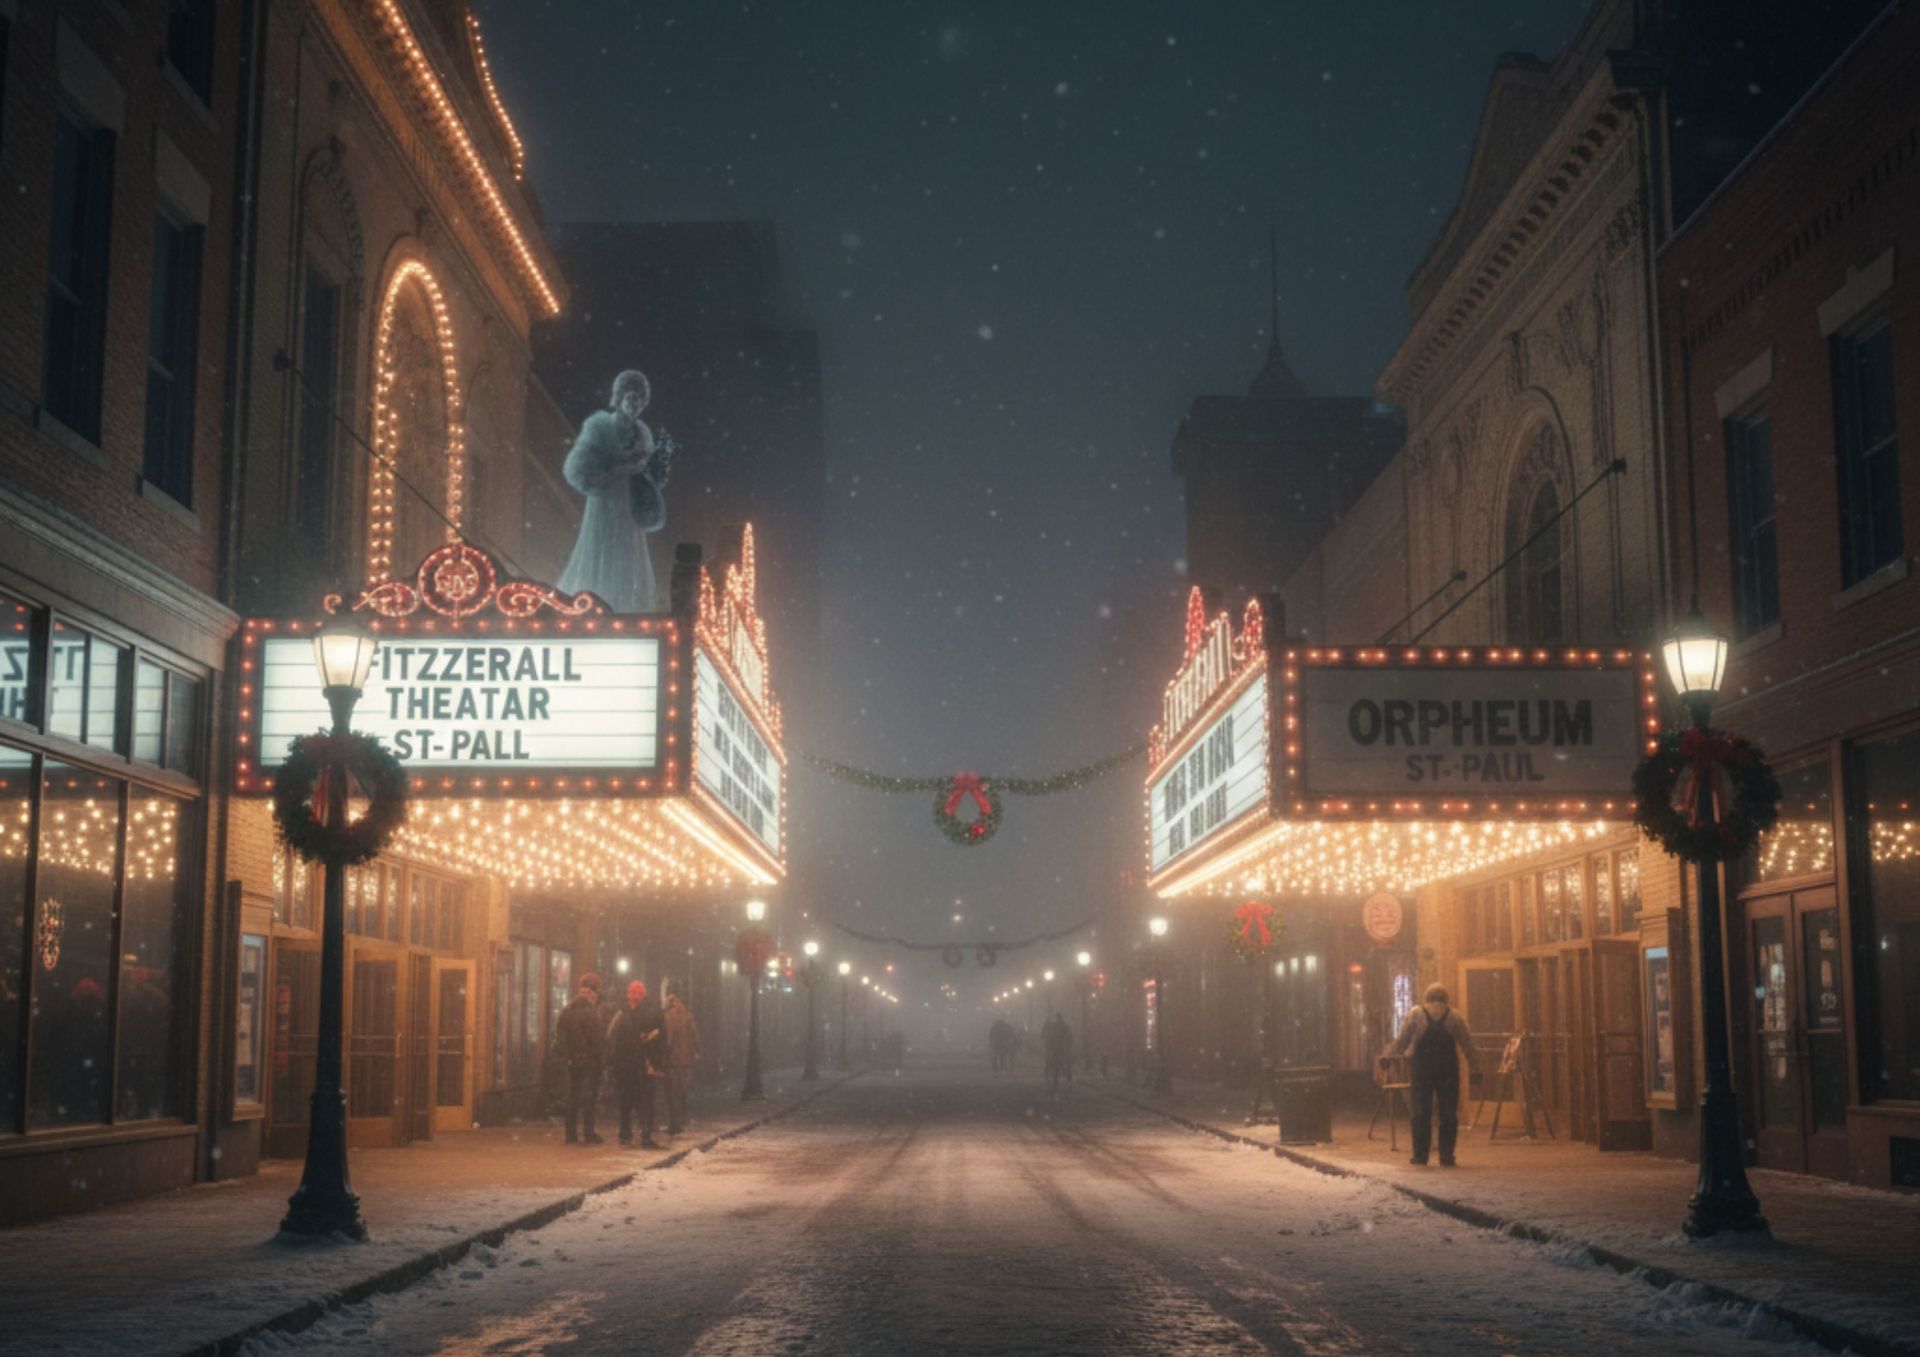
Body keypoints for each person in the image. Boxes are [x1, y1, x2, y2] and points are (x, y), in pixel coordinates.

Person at [556, 369, 672, 612]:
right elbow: (577, 470)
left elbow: (650, 476)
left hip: (630, 511)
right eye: (631, 398)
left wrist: (651, 472)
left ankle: (626, 610)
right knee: (601, 554)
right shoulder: (600, 427)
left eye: (640, 400)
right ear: (619, 398)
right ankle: (594, 605)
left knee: (628, 559)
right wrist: (619, 470)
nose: (635, 404)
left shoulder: (644, 433)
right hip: (606, 505)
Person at [1389, 983, 1477, 1167]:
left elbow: (1403, 1039)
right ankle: (1446, 1155)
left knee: (1421, 1112)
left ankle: (1420, 1155)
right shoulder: (1454, 1016)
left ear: (1427, 998)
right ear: (1446, 999)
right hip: (1448, 1069)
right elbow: (1468, 1043)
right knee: (1448, 1113)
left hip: (1422, 1068)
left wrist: (1390, 1057)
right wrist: (1475, 1067)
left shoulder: (1416, 1014)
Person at [608, 980, 665, 1148]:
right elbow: (613, 1037)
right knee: (638, 1102)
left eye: (637, 993)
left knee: (635, 1102)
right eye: (632, 993)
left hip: (636, 1065)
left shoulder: (625, 1014)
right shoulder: (645, 1013)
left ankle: (633, 1135)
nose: (634, 997)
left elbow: (612, 1036)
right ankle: (637, 1135)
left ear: (642, 995)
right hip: (633, 1065)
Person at [555, 974, 607, 1144]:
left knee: (573, 1096)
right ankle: (589, 1133)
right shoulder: (590, 1013)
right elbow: (597, 1040)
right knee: (589, 1097)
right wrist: (600, 1059)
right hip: (590, 1061)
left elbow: (560, 1037)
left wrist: (567, 1056)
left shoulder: (567, 1011)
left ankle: (570, 1134)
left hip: (573, 1061)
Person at [663, 989, 700, 1136]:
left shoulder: (668, 1016)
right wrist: (695, 1052)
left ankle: (674, 1124)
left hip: (673, 1060)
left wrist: (664, 1055)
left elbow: (668, 1040)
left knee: (672, 1093)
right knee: (682, 1091)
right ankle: (683, 1120)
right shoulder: (688, 1016)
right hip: (686, 1060)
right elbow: (695, 1037)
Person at [1043, 1012, 1075, 1097]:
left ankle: (1051, 1074)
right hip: (1061, 1048)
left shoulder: (1055, 1026)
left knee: (1054, 1061)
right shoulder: (1064, 1026)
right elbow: (1069, 1036)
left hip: (1057, 1048)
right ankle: (1067, 1077)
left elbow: (1049, 1035)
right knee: (1063, 1063)